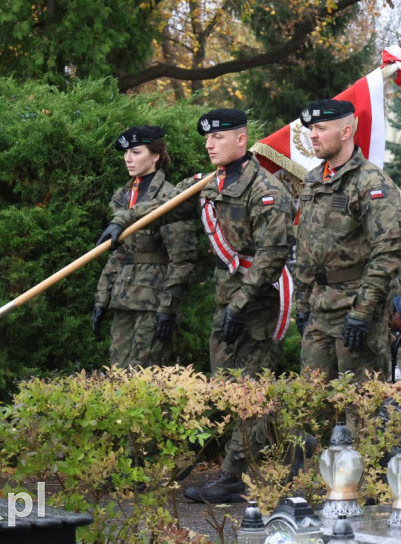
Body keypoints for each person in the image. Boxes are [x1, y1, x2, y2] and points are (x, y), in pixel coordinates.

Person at [100, 109, 295, 503]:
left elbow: (271, 258)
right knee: (226, 391)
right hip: (228, 303)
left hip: (259, 304)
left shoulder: (267, 190)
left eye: (218, 138)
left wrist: (238, 307)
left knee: (249, 390)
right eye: (207, 139)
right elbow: (165, 205)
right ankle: (294, 444)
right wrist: (122, 220)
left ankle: (236, 477)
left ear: (241, 140)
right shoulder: (209, 184)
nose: (209, 145)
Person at [294, 99, 401, 383]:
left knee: (361, 407)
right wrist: (303, 303)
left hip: (356, 309)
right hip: (320, 309)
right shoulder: (312, 181)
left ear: (345, 132)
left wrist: (363, 311)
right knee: (311, 404)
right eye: (311, 129)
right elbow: (306, 249)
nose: (313, 135)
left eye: (321, 128)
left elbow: (388, 252)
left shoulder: (371, 182)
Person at [92, 125, 196, 368]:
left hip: (154, 301)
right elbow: (118, 254)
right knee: (117, 373)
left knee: (146, 377)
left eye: (136, 152)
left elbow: (182, 259)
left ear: (156, 155)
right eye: (126, 152)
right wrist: (101, 298)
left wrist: (168, 307)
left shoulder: (170, 198)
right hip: (124, 297)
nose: (128, 158)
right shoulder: (123, 196)